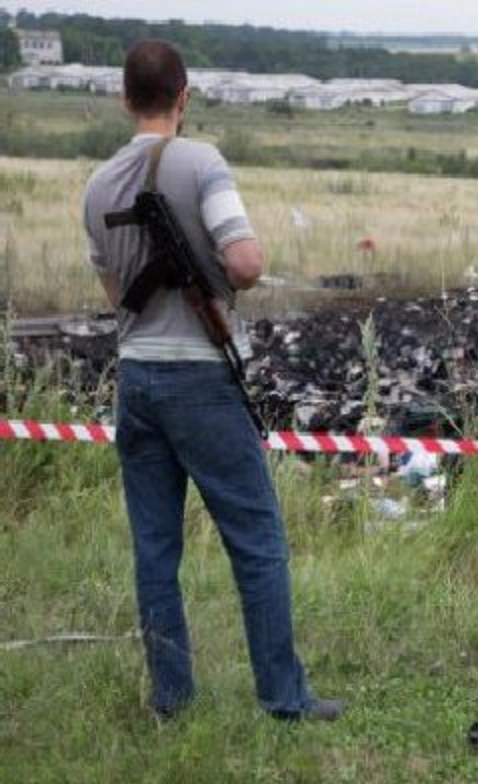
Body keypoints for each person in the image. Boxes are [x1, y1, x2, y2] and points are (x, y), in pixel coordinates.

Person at [82, 40, 342, 722]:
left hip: (136, 378)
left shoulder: (97, 183)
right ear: (184, 96)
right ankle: (284, 698)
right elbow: (248, 261)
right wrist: (213, 282)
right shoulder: (203, 163)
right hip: (201, 377)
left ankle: (172, 698)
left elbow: (115, 293)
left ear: (124, 98)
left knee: (155, 550)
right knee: (258, 541)